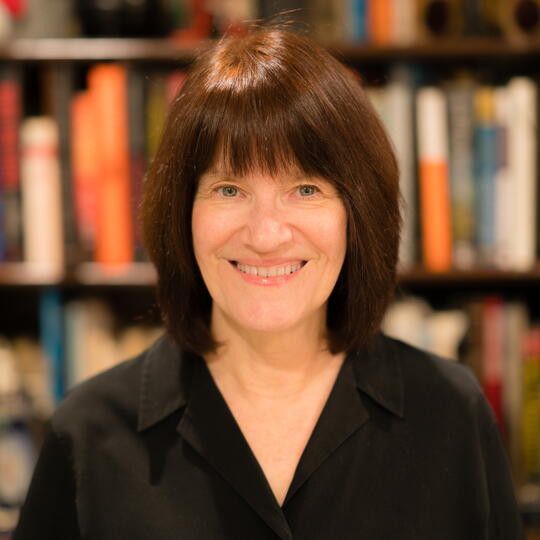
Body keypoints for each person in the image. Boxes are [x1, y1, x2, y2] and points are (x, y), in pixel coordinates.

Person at [14, 24, 523, 540]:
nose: (265, 234)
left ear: (357, 214)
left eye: (305, 188)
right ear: (182, 213)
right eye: (229, 189)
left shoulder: (450, 414)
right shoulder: (87, 433)